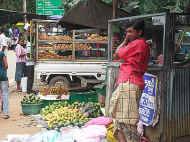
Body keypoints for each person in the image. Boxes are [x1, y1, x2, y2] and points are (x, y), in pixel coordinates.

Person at [110, 20, 150, 142]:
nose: (128, 34)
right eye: (126, 32)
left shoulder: (138, 43)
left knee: (128, 122)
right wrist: (126, 41)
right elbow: (116, 56)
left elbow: (117, 54)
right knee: (118, 120)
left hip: (130, 83)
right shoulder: (136, 44)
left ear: (139, 32)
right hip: (126, 82)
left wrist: (125, 41)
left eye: (130, 31)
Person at [0, 46, 9, 119]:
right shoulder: (2, 54)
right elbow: (6, 65)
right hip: (2, 76)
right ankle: (6, 113)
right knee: (5, 94)